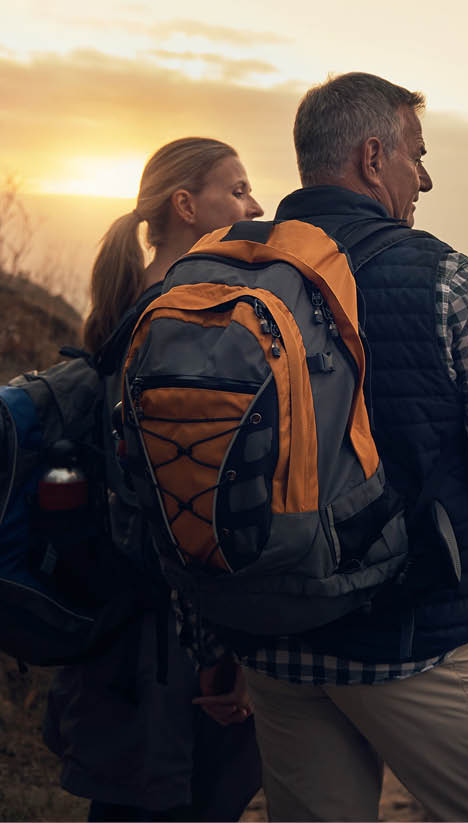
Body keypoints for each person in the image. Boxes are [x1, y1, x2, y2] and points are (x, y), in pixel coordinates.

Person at [190, 74, 468, 822]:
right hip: (417, 643)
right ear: (371, 155)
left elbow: (189, 464)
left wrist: (216, 630)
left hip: (276, 646)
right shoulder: (442, 278)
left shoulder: (216, 275)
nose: (424, 176)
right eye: (416, 155)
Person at [43, 137, 265, 822]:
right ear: (186, 205)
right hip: (168, 650)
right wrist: (227, 652)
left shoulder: (127, 308)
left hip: (113, 625)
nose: (255, 205)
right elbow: (191, 503)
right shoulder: (188, 320)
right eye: (238, 188)